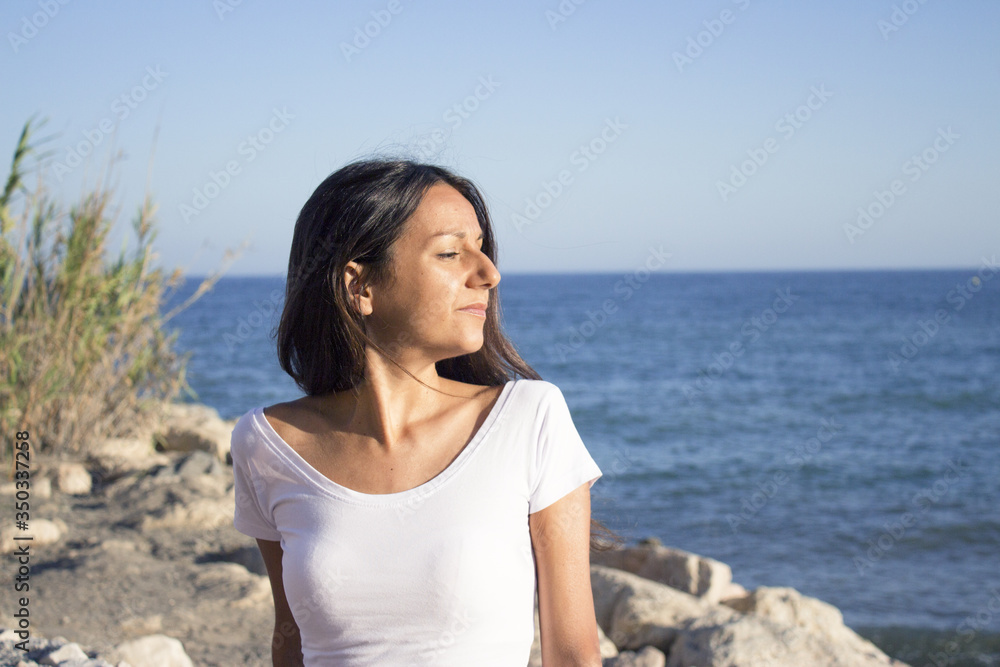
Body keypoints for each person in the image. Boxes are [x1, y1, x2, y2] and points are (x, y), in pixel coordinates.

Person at [229, 158, 623, 665]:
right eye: (450, 252)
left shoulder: (529, 419)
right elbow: (290, 640)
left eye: (482, 249)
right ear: (359, 286)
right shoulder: (267, 443)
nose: (488, 273)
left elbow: (573, 655)